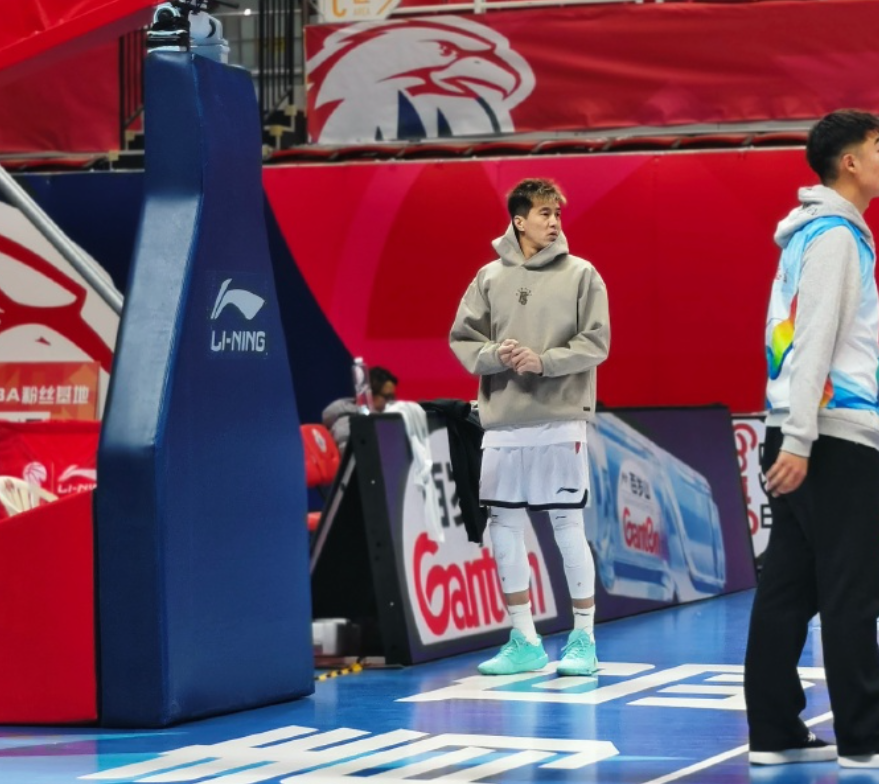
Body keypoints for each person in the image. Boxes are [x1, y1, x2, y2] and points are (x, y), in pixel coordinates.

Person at [745, 109, 879, 768]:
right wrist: (800, 438)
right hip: (829, 440)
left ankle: (774, 731)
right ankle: (864, 740)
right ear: (849, 162)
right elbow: (812, 339)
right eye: (878, 145)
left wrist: (788, 433)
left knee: (788, 591)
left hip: (799, 432)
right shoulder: (835, 237)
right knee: (852, 591)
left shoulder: (808, 234)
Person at [449, 177, 610, 676]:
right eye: (544, 213)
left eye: (557, 213)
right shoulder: (488, 277)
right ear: (519, 221)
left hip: (560, 421)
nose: (554, 221)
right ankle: (524, 640)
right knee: (504, 527)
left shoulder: (582, 274)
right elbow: (463, 340)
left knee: (566, 525)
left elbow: (596, 343)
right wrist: (496, 354)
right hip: (502, 424)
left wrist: (545, 362)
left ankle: (584, 640)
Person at [321, 365, 398, 452]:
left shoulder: (382, 421)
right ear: (369, 395)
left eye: (393, 397)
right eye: (388, 397)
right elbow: (355, 458)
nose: (392, 402)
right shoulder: (347, 424)